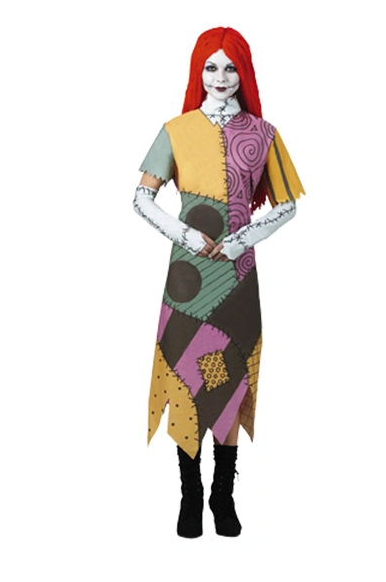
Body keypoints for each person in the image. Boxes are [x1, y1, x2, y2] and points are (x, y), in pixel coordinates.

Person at [133, 27, 305, 538]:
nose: (221, 77)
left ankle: (223, 497)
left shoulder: (263, 132)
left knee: (231, 377)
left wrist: (239, 241)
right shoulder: (176, 130)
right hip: (187, 279)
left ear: (244, 73)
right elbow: (141, 198)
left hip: (236, 276)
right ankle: (189, 497)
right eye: (211, 67)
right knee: (187, 376)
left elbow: (288, 205)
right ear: (198, 72)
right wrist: (185, 234)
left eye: (231, 67)